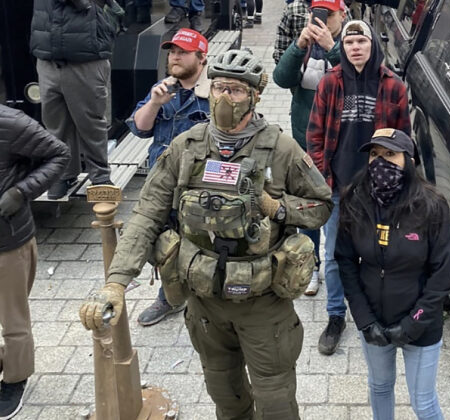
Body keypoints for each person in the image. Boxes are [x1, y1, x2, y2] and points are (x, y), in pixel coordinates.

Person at [79, 49, 332, 420]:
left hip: (263, 304)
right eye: (218, 87)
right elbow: (147, 213)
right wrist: (116, 283)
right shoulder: (187, 146)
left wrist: (275, 207)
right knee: (224, 396)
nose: (224, 97)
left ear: (255, 96)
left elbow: (321, 205)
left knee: (276, 399)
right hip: (204, 303)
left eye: (235, 90)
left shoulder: (281, 149)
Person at [307, 19, 410, 355]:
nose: (354, 48)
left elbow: (403, 142)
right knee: (335, 254)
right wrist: (324, 176)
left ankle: (377, 311)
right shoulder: (329, 83)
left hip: (377, 189)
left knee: (380, 252)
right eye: (349, 43)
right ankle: (336, 315)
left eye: (360, 42)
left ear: (371, 44)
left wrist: (396, 183)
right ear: (343, 47)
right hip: (338, 187)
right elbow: (315, 136)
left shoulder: (393, 87)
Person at [336, 128, 450, 420]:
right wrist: (365, 320)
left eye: (390, 154)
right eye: (375, 155)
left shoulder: (432, 206)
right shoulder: (355, 199)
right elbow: (346, 262)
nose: (380, 162)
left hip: (420, 324)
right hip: (374, 320)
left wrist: (413, 324)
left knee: (424, 404)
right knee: (379, 386)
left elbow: (443, 273)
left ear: (409, 161)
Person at [126, 28, 210, 326]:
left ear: (201, 57)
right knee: (164, 244)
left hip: (199, 185)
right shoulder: (163, 89)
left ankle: (205, 298)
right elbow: (138, 128)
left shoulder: (215, 91)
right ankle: (169, 297)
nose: (174, 57)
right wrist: (154, 103)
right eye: (172, 51)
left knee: (201, 242)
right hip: (161, 182)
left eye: (182, 52)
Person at [0, 105, 70, 419]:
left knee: (13, 322)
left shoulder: (10, 123)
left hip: (7, 243)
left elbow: (60, 154)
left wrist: (20, 192)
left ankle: (15, 380)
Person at [272, 0, 345, 295]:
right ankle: (311, 264)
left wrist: (333, 48)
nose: (323, 22)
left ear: (342, 15)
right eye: (319, 15)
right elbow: (281, 78)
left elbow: (359, 80)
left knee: (337, 211)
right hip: (306, 141)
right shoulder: (304, 44)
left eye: (329, 16)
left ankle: (337, 267)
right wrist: (298, 46)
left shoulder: (351, 40)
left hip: (341, 143)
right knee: (307, 205)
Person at [30, 0, 120, 199]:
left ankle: (100, 176)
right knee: (55, 123)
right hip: (47, 56)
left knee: (91, 122)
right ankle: (64, 174)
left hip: (86, 56)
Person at [273, 0, 311, 64]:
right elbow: (282, 40)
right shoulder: (293, 8)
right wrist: (281, 64)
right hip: (297, 65)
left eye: (330, 15)